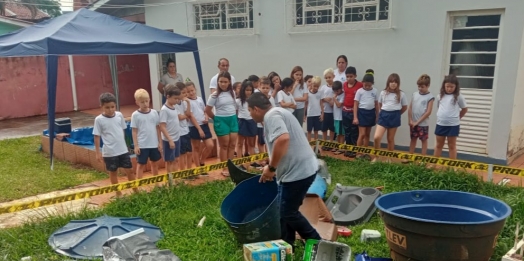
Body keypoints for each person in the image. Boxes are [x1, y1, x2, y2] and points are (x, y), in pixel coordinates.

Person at [247, 92, 322, 249]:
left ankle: (318, 243)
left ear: (256, 109)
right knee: (283, 210)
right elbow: (283, 144)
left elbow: (283, 139)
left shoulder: (271, 116)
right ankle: (287, 245)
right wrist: (270, 161)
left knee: (288, 212)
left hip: (298, 173)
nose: (250, 115)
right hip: (299, 170)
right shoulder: (279, 112)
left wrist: (272, 168)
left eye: (249, 111)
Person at [93, 93, 138, 197]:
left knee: (130, 170)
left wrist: (125, 145)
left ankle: (136, 191)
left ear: (115, 106)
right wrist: (97, 152)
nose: (110, 109)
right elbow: (96, 136)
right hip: (109, 152)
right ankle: (118, 194)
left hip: (123, 150)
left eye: (112, 107)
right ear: (101, 107)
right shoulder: (99, 120)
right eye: (107, 107)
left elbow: (122, 130)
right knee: (113, 172)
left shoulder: (119, 115)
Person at [205, 71, 239, 177]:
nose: (223, 84)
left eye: (225, 82)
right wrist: (216, 119)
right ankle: (224, 167)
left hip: (232, 119)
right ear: (217, 82)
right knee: (224, 145)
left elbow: (236, 107)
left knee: (232, 145)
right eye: (220, 82)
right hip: (221, 120)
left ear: (229, 82)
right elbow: (208, 110)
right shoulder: (214, 95)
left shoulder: (233, 93)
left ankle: (231, 166)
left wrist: (235, 117)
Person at [373, 73, 408, 162]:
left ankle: (389, 158)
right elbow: (380, 104)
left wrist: (397, 114)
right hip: (384, 115)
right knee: (377, 137)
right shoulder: (383, 93)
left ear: (398, 83)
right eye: (391, 81)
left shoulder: (401, 94)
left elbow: (404, 107)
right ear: (388, 82)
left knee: (390, 139)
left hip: (395, 116)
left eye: (395, 82)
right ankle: (376, 157)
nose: (393, 84)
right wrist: (384, 112)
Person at [131, 89, 162, 183]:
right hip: (143, 145)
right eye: (142, 102)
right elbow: (134, 131)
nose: (145, 104)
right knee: (140, 165)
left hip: (154, 144)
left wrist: (160, 142)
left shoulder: (154, 113)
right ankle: (138, 184)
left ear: (149, 100)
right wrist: (136, 145)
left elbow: (158, 128)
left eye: (146, 101)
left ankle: (156, 183)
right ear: (137, 102)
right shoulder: (135, 115)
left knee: (155, 163)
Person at [434, 74, 468, 159]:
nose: (449, 89)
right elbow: (439, 107)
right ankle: (433, 164)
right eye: (447, 86)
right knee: (438, 145)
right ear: (444, 86)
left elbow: (464, 109)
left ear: (456, 87)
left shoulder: (459, 96)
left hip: (453, 125)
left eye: (452, 87)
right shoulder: (439, 96)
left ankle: (452, 167)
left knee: (452, 146)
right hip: (441, 124)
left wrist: (457, 118)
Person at [186, 81, 214, 176]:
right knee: (196, 148)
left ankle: (202, 161)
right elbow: (191, 116)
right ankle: (198, 168)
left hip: (204, 124)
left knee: (210, 145)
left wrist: (206, 117)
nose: (191, 93)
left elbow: (204, 110)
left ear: (195, 89)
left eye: (192, 90)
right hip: (194, 126)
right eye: (189, 91)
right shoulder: (187, 102)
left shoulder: (200, 99)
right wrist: (198, 129)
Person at [407, 74, 435, 157]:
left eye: (422, 87)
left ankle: (423, 159)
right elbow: (410, 108)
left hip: (423, 124)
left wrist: (418, 122)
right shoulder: (415, 94)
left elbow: (428, 112)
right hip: (413, 122)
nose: (420, 89)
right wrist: (410, 120)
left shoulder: (430, 97)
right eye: (418, 86)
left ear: (428, 86)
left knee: (423, 140)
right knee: (413, 139)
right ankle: (410, 156)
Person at [353, 70, 379, 154]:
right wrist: (355, 117)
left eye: (369, 85)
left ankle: (365, 152)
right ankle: (358, 152)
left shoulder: (375, 91)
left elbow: (376, 104)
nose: (367, 87)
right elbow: (355, 105)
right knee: (362, 134)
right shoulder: (359, 91)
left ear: (372, 84)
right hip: (362, 113)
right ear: (362, 82)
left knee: (368, 134)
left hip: (371, 113)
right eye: (365, 85)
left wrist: (377, 115)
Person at [159, 84, 182, 177]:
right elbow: (162, 126)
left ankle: (176, 179)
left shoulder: (174, 107)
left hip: (177, 137)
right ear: (168, 96)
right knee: (170, 161)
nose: (177, 101)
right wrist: (170, 139)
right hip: (169, 140)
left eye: (178, 99)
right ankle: (171, 181)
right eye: (175, 98)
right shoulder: (164, 110)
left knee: (176, 159)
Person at [341, 66, 363, 157]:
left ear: (355, 76)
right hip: (345, 111)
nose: (349, 78)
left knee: (354, 131)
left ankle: (354, 149)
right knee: (347, 131)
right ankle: (348, 148)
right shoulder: (344, 85)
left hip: (354, 112)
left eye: (351, 76)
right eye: (347, 76)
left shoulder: (360, 85)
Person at [236, 80, 258, 168]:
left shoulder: (254, 100)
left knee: (251, 143)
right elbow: (236, 111)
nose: (248, 92)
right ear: (243, 90)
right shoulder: (238, 101)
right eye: (246, 90)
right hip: (242, 121)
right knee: (240, 143)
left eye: (250, 90)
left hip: (252, 121)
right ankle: (239, 162)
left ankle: (253, 162)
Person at [175, 82, 193, 172]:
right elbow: (180, 117)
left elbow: (188, 114)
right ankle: (182, 172)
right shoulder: (174, 104)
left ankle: (189, 171)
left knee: (189, 153)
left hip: (186, 131)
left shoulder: (184, 102)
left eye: (186, 92)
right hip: (179, 133)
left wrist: (188, 103)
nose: (185, 94)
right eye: (183, 93)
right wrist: (186, 116)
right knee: (182, 154)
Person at [320, 68, 336, 143]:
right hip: (325, 111)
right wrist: (326, 99)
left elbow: (338, 97)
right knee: (324, 128)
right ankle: (324, 142)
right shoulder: (323, 88)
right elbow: (320, 98)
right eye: (326, 78)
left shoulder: (335, 87)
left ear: (333, 76)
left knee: (332, 128)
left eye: (329, 77)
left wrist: (333, 102)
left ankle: (331, 142)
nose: (328, 79)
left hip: (333, 112)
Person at [306, 76, 323, 141]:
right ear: (311, 84)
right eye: (314, 86)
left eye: (317, 86)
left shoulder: (320, 92)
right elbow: (306, 104)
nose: (316, 88)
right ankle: (309, 145)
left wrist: (322, 114)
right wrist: (304, 115)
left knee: (316, 131)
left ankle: (316, 146)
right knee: (309, 131)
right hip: (310, 114)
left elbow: (321, 103)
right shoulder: (307, 93)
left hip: (317, 114)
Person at [332, 81, 345, 153]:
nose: (336, 92)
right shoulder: (336, 95)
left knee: (341, 133)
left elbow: (339, 105)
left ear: (341, 88)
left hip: (340, 117)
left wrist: (334, 99)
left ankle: (341, 147)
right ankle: (337, 146)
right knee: (337, 133)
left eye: (337, 90)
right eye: (335, 91)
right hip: (336, 117)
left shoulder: (343, 95)